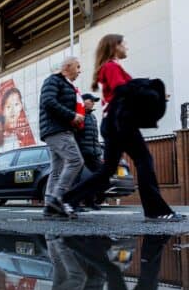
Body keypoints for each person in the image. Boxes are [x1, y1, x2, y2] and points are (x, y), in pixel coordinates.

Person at [64, 34, 184, 221]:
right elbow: (122, 89)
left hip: (113, 123)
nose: (126, 46)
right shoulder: (111, 67)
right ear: (114, 47)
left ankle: (68, 200)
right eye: (123, 43)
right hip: (119, 121)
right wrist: (149, 92)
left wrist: (152, 93)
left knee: (107, 171)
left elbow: (125, 90)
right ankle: (156, 210)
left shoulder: (112, 67)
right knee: (144, 160)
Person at [39, 56, 85, 218]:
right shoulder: (54, 81)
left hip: (55, 130)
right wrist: (72, 115)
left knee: (57, 170)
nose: (80, 71)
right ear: (67, 67)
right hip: (56, 130)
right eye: (77, 67)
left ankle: (49, 206)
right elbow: (48, 101)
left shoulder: (66, 85)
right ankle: (57, 198)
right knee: (75, 160)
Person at [75, 93, 103, 210]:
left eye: (93, 101)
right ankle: (74, 203)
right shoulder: (79, 115)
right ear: (84, 101)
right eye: (91, 100)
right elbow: (75, 133)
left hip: (93, 153)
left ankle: (90, 201)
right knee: (76, 177)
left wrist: (98, 150)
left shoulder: (92, 117)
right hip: (81, 151)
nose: (93, 103)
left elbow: (94, 136)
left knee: (98, 175)